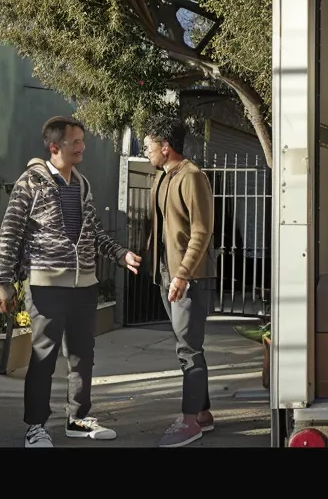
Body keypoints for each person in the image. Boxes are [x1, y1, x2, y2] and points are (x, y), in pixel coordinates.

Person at [0, 116, 142, 448]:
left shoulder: (82, 184)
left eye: (82, 141)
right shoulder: (30, 182)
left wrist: (119, 254)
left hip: (84, 285)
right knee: (44, 357)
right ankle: (35, 427)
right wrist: (2, 282)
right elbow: (10, 233)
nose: (82, 148)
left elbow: (93, 232)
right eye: (75, 142)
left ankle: (78, 419)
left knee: (82, 356)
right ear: (54, 147)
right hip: (45, 285)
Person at [141, 121, 218, 448]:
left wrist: (183, 274)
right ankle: (202, 414)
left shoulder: (191, 177)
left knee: (188, 348)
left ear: (165, 147)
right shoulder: (162, 176)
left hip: (190, 277)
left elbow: (202, 230)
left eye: (148, 146)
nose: (145, 152)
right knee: (187, 346)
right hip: (165, 271)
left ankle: (190, 421)